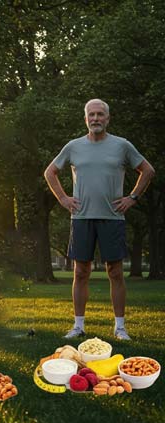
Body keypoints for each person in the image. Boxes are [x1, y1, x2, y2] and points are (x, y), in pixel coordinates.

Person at [44, 99, 155, 341]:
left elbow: (148, 170)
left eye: (100, 115)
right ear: (85, 119)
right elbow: (50, 172)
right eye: (91, 115)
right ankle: (79, 326)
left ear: (108, 118)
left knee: (115, 272)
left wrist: (132, 197)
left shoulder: (122, 146)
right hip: (81, 217)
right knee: (80, 272)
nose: (96, 118)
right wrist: (63, 198)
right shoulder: (73, 146)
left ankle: (120, 327)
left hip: (112, 217)